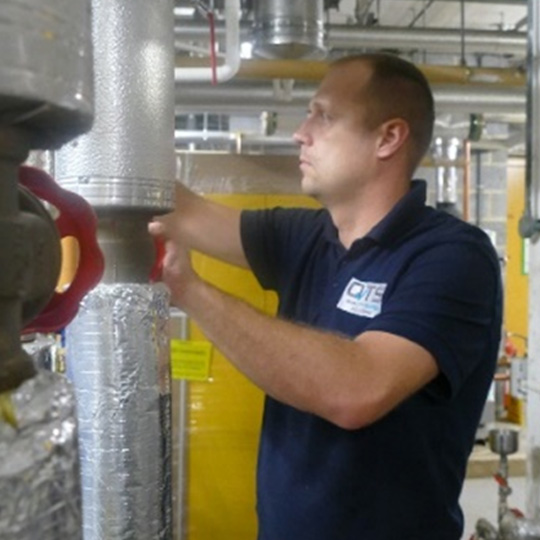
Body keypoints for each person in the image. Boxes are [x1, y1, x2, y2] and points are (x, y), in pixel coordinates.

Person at [149, 53, 502, 540]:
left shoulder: (451, 257)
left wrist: (190, 291)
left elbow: (357, 390)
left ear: (388, 138)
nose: (301, 132)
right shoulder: (305, 239)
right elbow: (182, 212)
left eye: (324, 115)